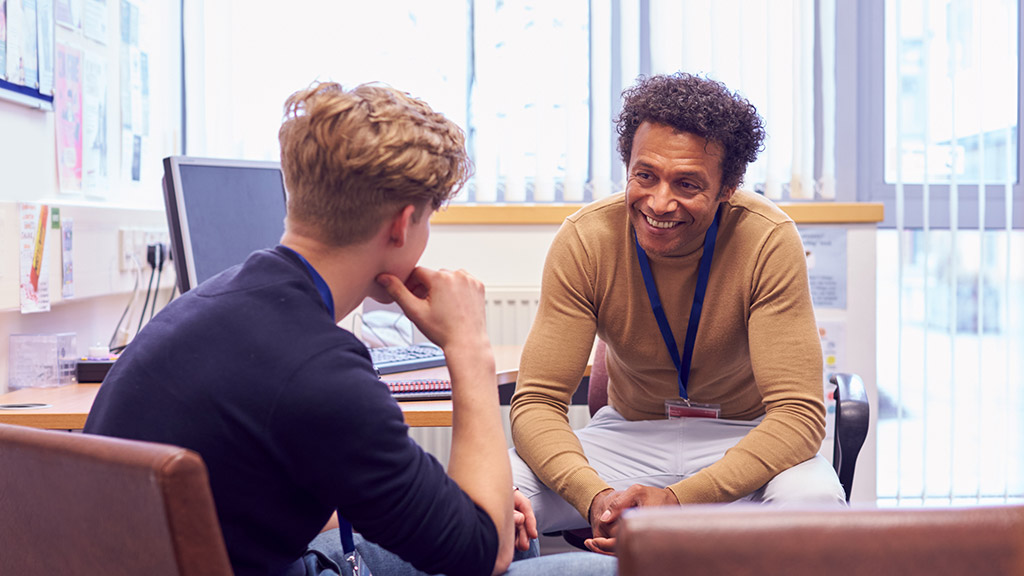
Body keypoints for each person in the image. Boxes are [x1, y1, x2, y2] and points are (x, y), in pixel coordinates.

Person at [85, 81, 616, 576]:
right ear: (402, 224)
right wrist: (468, 347)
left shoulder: (214, 302)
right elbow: (485, 551)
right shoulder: (319, 371)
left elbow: (268, 492)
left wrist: (462, 505)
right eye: (430, 219)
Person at [509, 72, 847, 555]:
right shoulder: (586, 239)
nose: (659, 202)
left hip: (744, 439)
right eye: (645, 175)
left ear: (727, 187)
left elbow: (798, 416)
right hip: (628, 439)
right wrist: (597, 498)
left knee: (815, 506)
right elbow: (537, 404)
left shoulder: (767, 239)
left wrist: (680, 500)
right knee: (492, 494)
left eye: (687, 183)